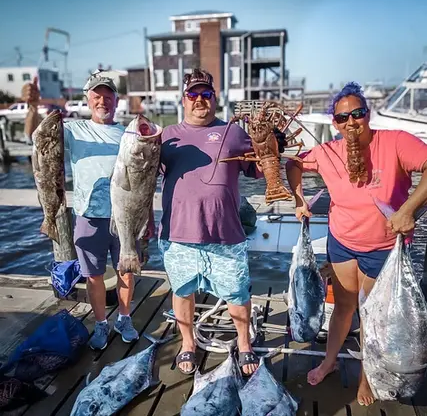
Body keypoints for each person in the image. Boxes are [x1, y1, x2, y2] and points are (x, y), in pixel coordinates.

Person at [285, 82, 427, 406]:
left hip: (383, 250)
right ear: (334, 123)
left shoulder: (394, 143)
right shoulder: (327, 152)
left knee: (372, 317)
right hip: (342, 244)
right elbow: (293, 163)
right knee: (345, 307)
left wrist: (408, 210)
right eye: (342, 117)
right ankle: (329, 361)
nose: (351, 121)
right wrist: (297, 198)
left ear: (368, 114)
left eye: (357, 113)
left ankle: (368, 377)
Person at [158, 68, 287, 376]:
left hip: (225, 233)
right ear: (184, 100)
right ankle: (187, 343)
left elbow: (258, 170)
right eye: (193, 95)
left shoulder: (234, 132)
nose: (199, 100)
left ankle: (244, 345)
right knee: (182, 291)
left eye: (206, 94)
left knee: (238, 294)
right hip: (178, 233)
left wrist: (273, 146)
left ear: (215, 99)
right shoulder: (166, 136)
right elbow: (142, 173)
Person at [22, 71, 152, 350]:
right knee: (93, 275)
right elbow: (34, 135)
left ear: (117, 101)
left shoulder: (128, 134)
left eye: (108, 96)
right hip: (88, 216)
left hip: (126, 216)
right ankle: (102, 323)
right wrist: (32, 108)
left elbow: (145, 183)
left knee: (126, 271)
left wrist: (148, 218)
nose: (102, 101)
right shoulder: (73, 129)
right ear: (88, 99)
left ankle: (125, 318)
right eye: (97, 96)